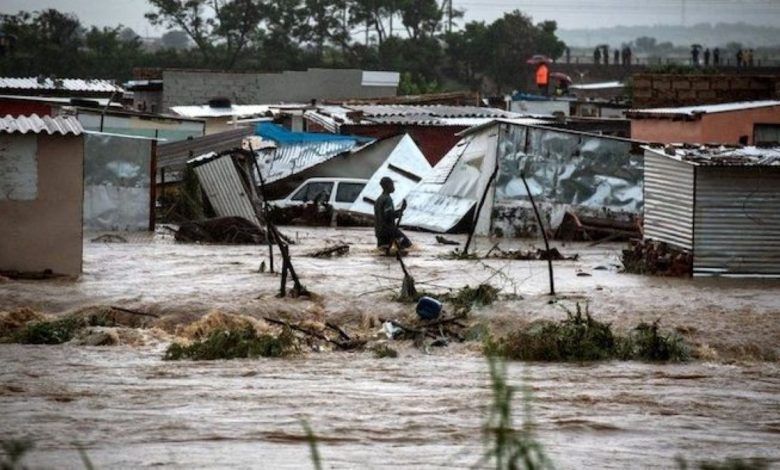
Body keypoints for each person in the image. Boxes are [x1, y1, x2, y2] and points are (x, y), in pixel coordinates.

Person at [374, 177, 411, 251]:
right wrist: (399, 213)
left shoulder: (378, 199)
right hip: (389, 230)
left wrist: (401, 210)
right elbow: (388, 216)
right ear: (387, 186)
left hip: (379, 231)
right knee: (408, 246)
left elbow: (384, 214)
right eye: (392, 184)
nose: (393, 187)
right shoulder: (387, 199)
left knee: (383, 250)